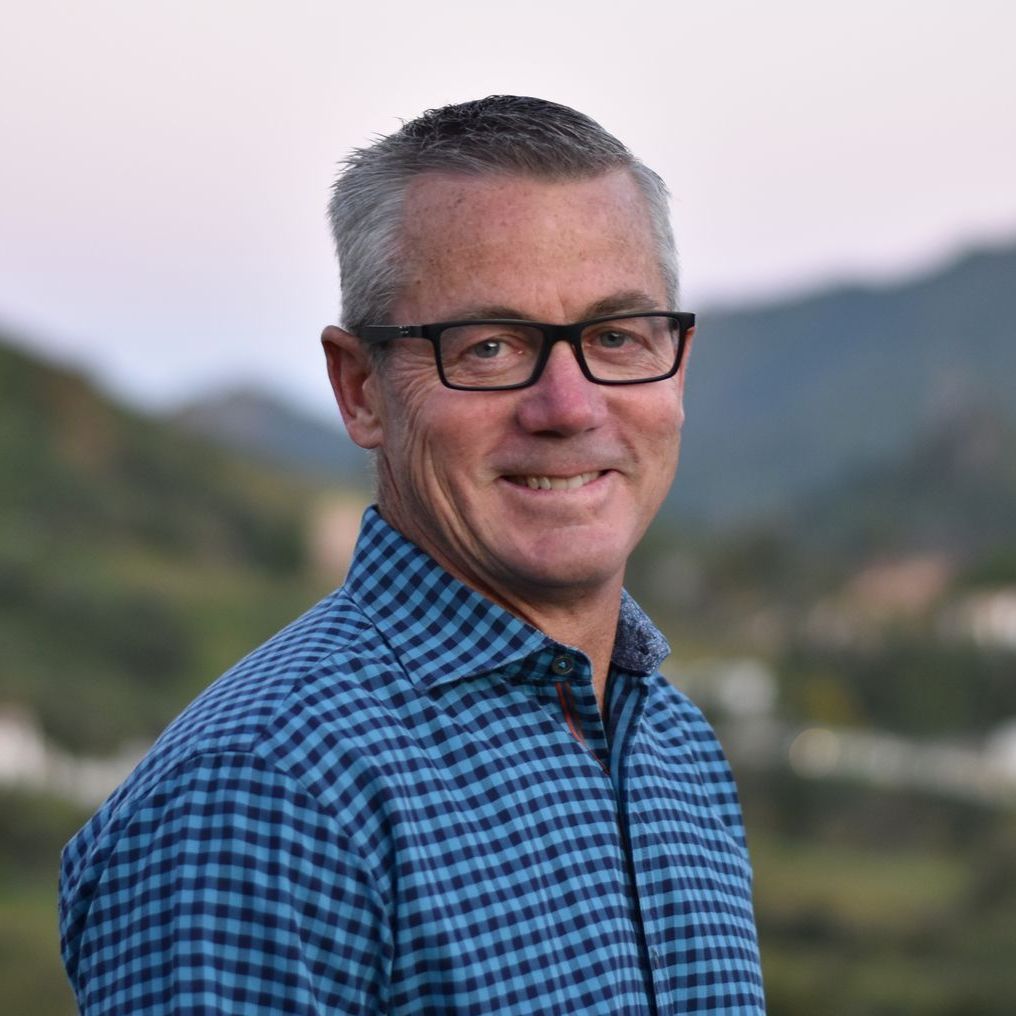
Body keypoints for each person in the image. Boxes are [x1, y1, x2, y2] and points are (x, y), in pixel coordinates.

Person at [59, 96, 765, 1014]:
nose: (569, 406)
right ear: (362, 391)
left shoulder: (676, 750)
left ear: (677, 364)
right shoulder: (262, 799)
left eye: (616, 337)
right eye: (489, 346)